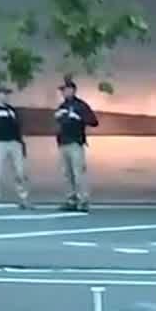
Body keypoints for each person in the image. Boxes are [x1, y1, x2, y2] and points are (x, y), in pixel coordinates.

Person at [54, 76, 99, 213]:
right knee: (67, 174)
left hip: (75, 143)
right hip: (63, 143)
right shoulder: (62, 106)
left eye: (66, 90)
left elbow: (94, 121)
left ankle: (83, 200)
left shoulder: (81, 105)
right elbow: (60, 122)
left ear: (73, 90)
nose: (64, 93)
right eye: (63, 91)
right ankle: (71, 199)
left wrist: (79, 117)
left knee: (78, 173)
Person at [0, 84, 29, 208]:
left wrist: (21, 143)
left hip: (14, 143)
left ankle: (23, 198)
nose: (4, 96)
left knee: (20, 171)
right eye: (1, 94)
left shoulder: (12, 111)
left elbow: (18, 127)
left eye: (6, 94)